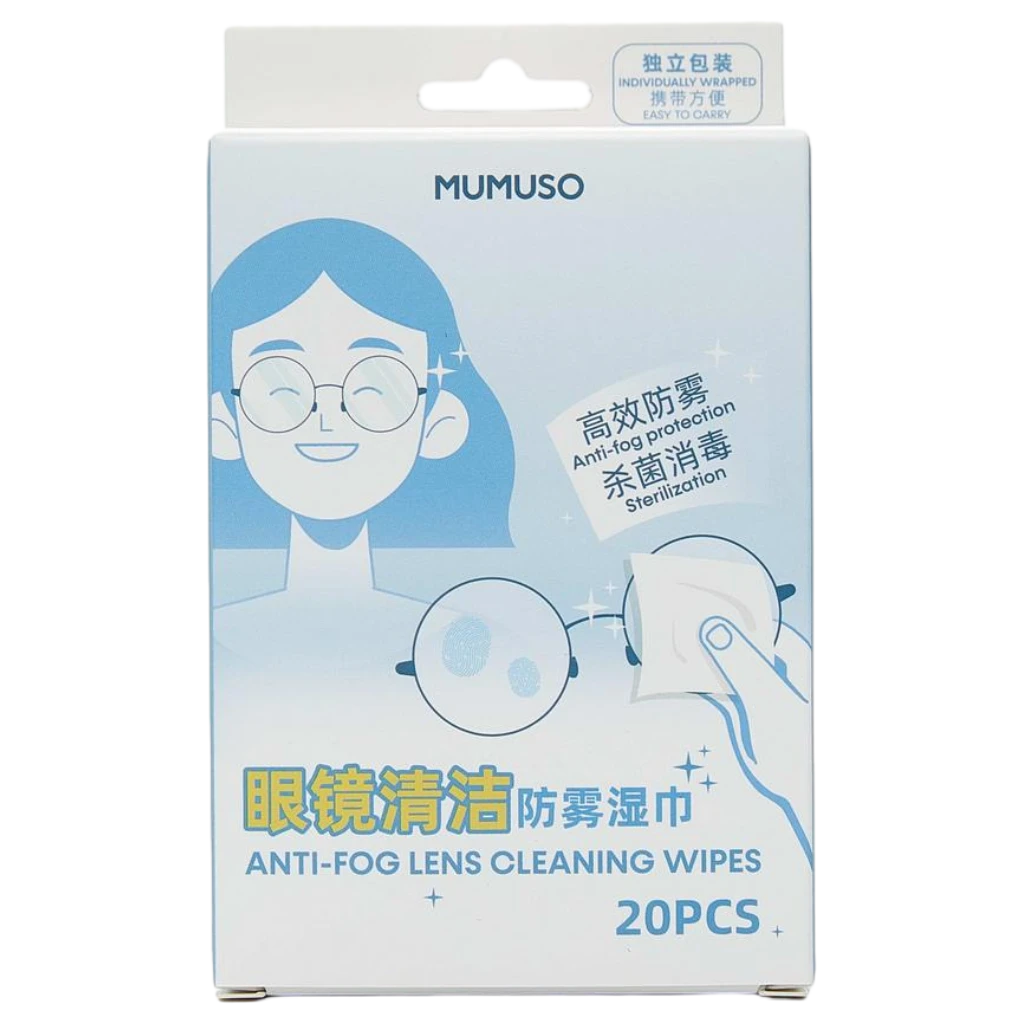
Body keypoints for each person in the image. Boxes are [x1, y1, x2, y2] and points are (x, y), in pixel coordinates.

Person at [210, 219, 515, 669]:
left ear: (440, 421)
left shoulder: (462, 639)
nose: (326, 417)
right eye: (280, 386)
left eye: (376, 386)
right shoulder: (222, 635)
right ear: (223, 423)